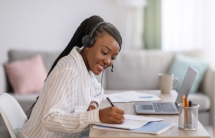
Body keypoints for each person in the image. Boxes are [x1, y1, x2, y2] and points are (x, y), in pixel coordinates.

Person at [19, 15, 124, 138]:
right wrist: (97, 116)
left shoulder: (86, 68)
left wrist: (94, 103)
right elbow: (50, 119)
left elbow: (98, 90)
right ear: (88, 43)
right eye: (104, 52)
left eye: (112, 58)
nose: (108, 61)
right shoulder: (69, 70)